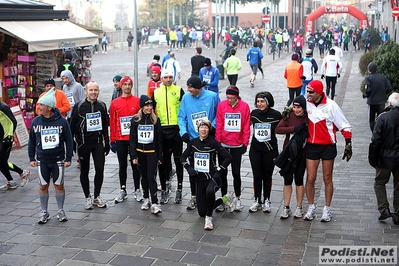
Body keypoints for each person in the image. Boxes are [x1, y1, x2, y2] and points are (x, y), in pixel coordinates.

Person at [304, 80, 352, 222]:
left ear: (319, 92)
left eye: (311, 92)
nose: (308, 94)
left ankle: (327, 209)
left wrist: (348, 143)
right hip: (312, 146)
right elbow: (295, 111)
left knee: (327, 178)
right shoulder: (307, 103)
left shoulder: (331, 105)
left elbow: (344, 125)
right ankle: (311, 207)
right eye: (307, 91)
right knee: (310, 178)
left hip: (327, 146)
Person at [28, 88, 73, 224]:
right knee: (43, 185)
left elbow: (69, 140)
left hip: (58, 160)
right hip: (42, 160)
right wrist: (31, 158)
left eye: (41, 105)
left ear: (49, 107)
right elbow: (32, 141)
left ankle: (60, 210)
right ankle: (44, 211)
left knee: (59, 185)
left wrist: (68, 158)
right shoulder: (36, 122)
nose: (39, 107)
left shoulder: (62, 122)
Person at [181, 119, 234, 230]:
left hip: (213, 177)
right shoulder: (193, 142)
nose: (203, 129)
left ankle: (209, 219)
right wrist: (189, 168)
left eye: (206, 127)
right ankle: (225, 199)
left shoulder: (213, 142)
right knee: (201, 212)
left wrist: (219, 171)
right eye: (201, 127)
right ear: (198, 129)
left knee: (210, 192)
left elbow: (228, 157)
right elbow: (182, 157)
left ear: (209, 129)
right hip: (199, 179)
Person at [178, 75, 220, 209]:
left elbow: (219, 114)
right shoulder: (186, 98)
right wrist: (183, 132)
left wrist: (211, 127)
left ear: (199, 88)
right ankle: (194, 196)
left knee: (211, 167)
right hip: (193, 139)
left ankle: (211, 193)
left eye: (191, 89)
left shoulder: (212, 96)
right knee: (193, 169)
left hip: (209, 139)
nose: (189, 91)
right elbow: (181, 116)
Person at [69, 81, 110, 210]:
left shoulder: (102, 106)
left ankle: (97, 196)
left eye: (96, 90)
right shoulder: (79, 106)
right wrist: (72, 144)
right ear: (85, 91)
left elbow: (104, 126)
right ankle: (87, 197)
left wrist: (107, 142)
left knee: (100, 169)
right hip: (83, 144)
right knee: (84, 171)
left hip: (98, 143)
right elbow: (71, 126)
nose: (93, 92)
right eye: (91, 90)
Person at [152, 69, 185, 205]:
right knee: (163, 160)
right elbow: (152, 109)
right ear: (161, 78)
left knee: (178, 160)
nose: (168, 79)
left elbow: (184, 108)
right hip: (162, 128)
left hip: (176, 128)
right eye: (165, 77)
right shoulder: (156, 92)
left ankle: (179, 189)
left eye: (170, 77)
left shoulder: (178, 90)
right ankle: (164, 189)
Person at [215, 86, 250, 212]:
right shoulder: (222, 105)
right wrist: (218, 142)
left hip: (237, 145)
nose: (230, 100)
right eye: (228, 97)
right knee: (223, 173)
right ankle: (224, 198)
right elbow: (219, 123)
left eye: (232, 98)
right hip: (224, 144)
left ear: (237, 97)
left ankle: (237, 198)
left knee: (236, 172)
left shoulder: (244, 106)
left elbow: (246, 125)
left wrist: (245, 142)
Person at [109, 76, 142, 204]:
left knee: (136, 164)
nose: (127, 87)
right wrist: (112, 139)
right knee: (122, 165)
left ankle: (137, 189)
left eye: (129, 84)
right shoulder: (115, 103)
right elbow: (112, 122)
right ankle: (122, 189)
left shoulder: (138, 101)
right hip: (120, 138)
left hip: (134, 139)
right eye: (125, 84)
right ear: (121, 86)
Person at [274, 96, 308, 218]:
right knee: (287, 180)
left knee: (299, 179)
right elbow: (278, 129)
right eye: (295, 107)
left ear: (304, 108)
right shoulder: (289, 115)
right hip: (289, 152)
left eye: (299, 107)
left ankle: (299, 207)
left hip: (302, 153)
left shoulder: (309, 117)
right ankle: (286, 207)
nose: (297, 109)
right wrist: (294, 129)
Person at [369, 92, 399, 225]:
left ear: (390, 103)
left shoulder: (383, 117)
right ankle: (397, 214)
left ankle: (384, 209)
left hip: (384, 158)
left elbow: (376, 140)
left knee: (379, 183)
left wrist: (372, 158)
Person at [129, 95, 163, 214]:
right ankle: (146, 198)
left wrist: (160, 156)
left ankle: (154, 202)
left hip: (152, 153)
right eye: (147, 106)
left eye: (150, 106)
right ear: (142, 107)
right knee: (143, 177)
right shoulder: (135, 120)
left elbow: (159, 140)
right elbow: (132, 139)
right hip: (140, 152)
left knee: (151, 177)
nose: (149, 108)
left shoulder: (155, 120)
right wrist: (133, 156)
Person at [249, 92, 281, 213]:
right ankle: (257, 200)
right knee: (257, 175)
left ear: (268, 102)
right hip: (255, 149)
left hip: (270, 150)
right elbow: (244, 125)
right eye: (258, 101)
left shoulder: (276, 115)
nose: (259, 104)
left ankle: (267, 199)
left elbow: (284, 126)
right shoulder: (254, 113)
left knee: (267, 176)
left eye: (262, 101)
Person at [0, 102, 30, 190]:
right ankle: (13, 180)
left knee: (2, 162)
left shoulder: (3, 107)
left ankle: (22, 173)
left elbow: (13, 121)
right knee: (1, 162)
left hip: (5, 138)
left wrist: (9, 136)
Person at [362, 62, 392, 132]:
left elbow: (368, 90)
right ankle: (380, 132)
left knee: (372, 119)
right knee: (380, 118)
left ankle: (374, 133)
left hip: (372, 101)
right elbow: (389, 87)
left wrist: (365, 95)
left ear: (369, 70)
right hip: (381, 101)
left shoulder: (368, 78)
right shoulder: (382, 77)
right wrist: (384, 93)